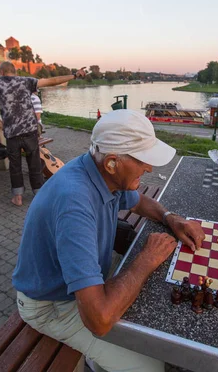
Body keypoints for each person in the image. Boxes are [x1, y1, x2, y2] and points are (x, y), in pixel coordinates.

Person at [12, 109, 205, 371]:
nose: (149, 167)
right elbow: (99, 320)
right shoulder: (75, 204)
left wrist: (172, 218)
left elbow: (139, 202)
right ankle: (96, 360)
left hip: (83, 284)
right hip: (52, 305)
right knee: (151, 367)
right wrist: (145, 259)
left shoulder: (97, 172)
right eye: (143, 160)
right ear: (113, 162)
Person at [0, 61, 77, 206]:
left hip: (12, 133)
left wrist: (3, 126)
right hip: (30, 131)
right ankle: (38, 193)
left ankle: (18, 197)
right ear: (14, 71)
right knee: (34, 163)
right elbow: (52, 81)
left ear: (1, 72)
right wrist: (74, 75)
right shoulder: (26, 81)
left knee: (15, 166)